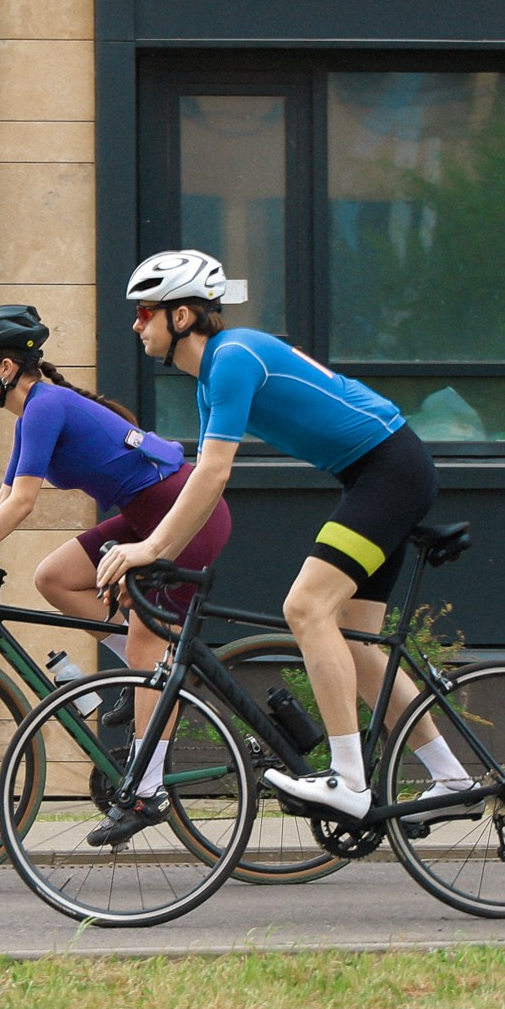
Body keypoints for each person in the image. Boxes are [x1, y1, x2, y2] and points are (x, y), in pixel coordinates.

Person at [115, 249, 472, 822]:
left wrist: (152, 548)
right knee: (357, 645)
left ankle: (349, 781)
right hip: (378, 472)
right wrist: (159, 552)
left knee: (305, 608)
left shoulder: (230, 358)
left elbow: (213, 473)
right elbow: (204, 483)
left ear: (181, 316)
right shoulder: (213, 380)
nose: (136, 325)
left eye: (144, 312)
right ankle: (450, 777)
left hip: (387, 470)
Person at [0, 303, 232, 839]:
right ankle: (143, 673)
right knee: (54, 577)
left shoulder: (43, 406)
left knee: (150, 646)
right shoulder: (34, 411)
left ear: (6, 367)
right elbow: (3, 497)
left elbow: (22, 506)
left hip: (185, 514)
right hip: (143, 515)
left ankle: (148, 792)